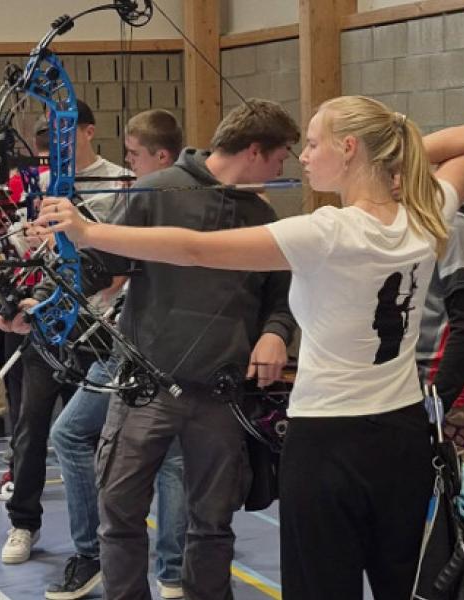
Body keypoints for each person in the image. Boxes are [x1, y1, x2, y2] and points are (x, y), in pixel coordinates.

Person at [38, 96, 464, 599]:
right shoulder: (425, 216)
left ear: (349, 148)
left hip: (328, 441)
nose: (303, 157)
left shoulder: (325, 232)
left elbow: (191, 250)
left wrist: (87, 230)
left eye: (314, 144)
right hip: (402, 433)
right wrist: (385, 159)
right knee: (400, 584)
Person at [33, 98, 300, 599]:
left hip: (220, 393)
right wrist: (61, 246)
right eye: (281, 155)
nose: (284, 166)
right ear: (256, 150)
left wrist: (275, 332)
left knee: (213, 524)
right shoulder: (156, 191)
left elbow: (279, 300)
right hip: (146, 387)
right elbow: (106, 266)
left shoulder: (259, 212)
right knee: (120, 513)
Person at [43, 108, 189, 600]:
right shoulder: (140, 196)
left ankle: (170, 572)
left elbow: (113, 268)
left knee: (169, 458)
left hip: (164, 349)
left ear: (162, 156)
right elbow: (102, 267)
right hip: (126, 342)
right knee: (71, 435)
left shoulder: (171, 201)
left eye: (134, 155)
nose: (126, 162)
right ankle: (95, 556)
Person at [0, 100, 132, 566]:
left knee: (89, 435)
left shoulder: (118, 181)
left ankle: (100, 539)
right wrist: (25, 240)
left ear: (88, 131)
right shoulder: (45, 182)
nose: (57, 147)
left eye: (65, 134)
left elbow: (124, 255)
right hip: (52, 319)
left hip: (101, 325)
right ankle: (22, 523)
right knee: (31, 425)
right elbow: (19, 241)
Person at [415, 202, 464, 546]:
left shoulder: (453, 225)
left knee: (454, 534)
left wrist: (437, 401)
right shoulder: (409, 221)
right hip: (406, 395)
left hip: (444, 401)